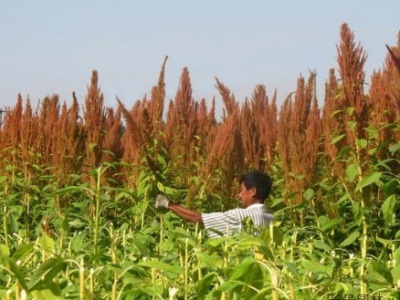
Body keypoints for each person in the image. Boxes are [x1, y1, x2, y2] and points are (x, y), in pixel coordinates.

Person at [155, 170, 274, 238]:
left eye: (242, 190)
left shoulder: (241, 215)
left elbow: (198, 218)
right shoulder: (271, 217)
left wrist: (169, 204)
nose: (239, 194)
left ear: (252, 191)